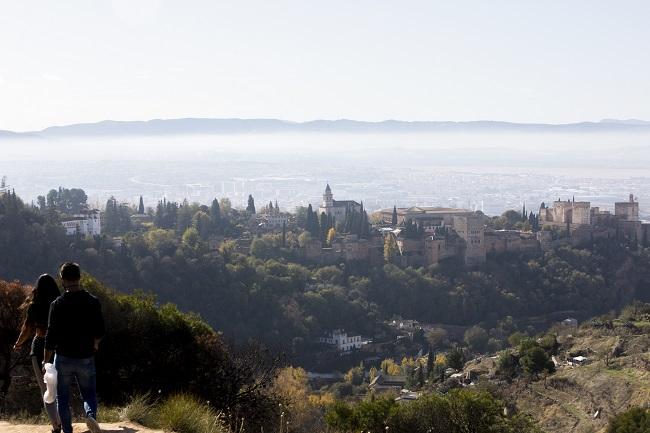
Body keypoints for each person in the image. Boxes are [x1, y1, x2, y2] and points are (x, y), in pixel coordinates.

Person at [44, 263, 105, 433]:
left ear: (62, 280)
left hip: (62, 357)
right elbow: (100, 330)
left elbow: (50, 335)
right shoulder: (93, 301)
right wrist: (96, 342)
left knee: (62, 398)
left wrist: (45, 359)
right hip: (85, 356)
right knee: (89, 395)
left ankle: (67, 430)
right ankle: (90, 414)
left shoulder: (57, 304)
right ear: (80, 277)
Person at [13, 274, 62, 433]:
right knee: (60, 387)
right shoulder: (59, 304)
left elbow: (26, 329)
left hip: (40, 344)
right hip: (59, 346)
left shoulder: (34, 305)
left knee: (45, 388)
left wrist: (18, 344)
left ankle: (56, 425)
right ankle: (63, 419)